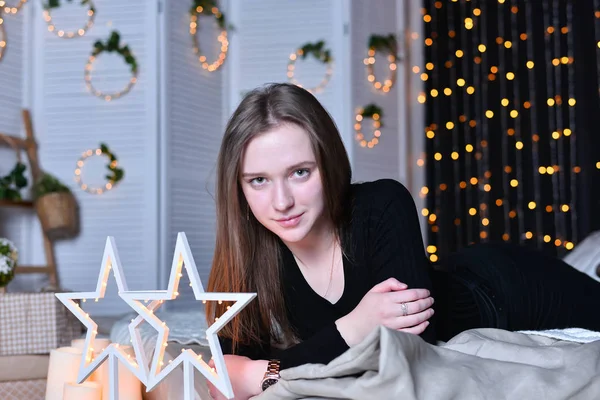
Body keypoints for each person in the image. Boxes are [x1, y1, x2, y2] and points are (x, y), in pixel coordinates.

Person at [205, 82, 600, 399]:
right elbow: (230, 367)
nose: (281, 201)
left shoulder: (381, 204)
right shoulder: (251, 251)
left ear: (328, 163)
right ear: (238, 187)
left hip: (509, 291)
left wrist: (337, 337)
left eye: (300, 173)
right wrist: (261, 366)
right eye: (259, 180)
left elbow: (410, 349)